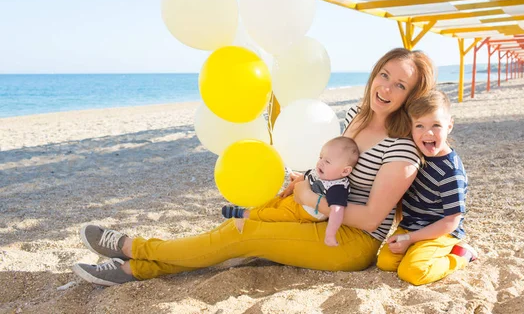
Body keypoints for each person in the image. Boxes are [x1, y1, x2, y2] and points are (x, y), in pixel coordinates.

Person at [72, 48, 438, 287]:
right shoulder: (352, 117)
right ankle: (135, 270)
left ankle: (133, 248)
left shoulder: (402, 148)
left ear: (410, 97)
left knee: (242, 236)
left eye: (400, 85)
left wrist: (312, 199)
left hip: (349, 242)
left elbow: (373, 219)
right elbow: (335, 169)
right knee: (242, 223)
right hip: (316, 214)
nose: (387, 87)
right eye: (385, 75)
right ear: (375, 73)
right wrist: (304, 181)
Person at [376, 90, 477, 286]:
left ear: (450, 125)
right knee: (386, 262)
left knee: (413, 272)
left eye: (436, 125)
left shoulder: (450, 172)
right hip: (411, 225)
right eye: (419, 125)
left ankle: (461, 255)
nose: (428, 133)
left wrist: (410, 238)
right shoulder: (413, 154)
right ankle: (418, 249)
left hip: (440, 231)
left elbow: (452, 220)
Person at [221, 136, 359, 247]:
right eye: (320, 157)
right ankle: (251, 210)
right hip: (295, 199)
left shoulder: (337, 187)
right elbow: (303, 177)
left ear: (345, 171)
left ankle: (244, 214)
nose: (320, 163)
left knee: (275, 215)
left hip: (303, 213)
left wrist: (330, 233)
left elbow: (337, 211)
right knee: (273, 202)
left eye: (327, 161)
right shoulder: (322, 172)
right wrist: (288, 190)